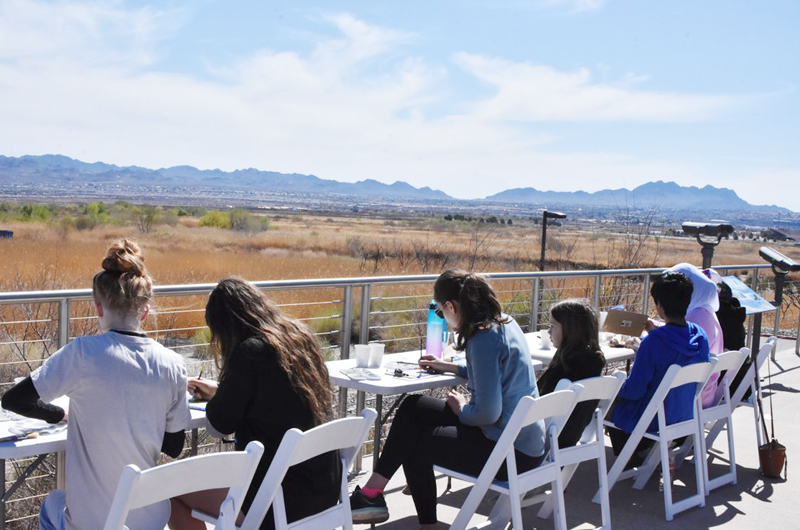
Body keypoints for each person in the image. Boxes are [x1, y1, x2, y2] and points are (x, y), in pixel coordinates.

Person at [2, 239, 191, 530]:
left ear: (98, 308)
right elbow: (175, 446)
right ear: (144, 311)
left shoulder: (83, 353)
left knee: (53, 502)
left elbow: (14, 400)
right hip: (150, 520)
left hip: (95, 522)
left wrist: (56, 414)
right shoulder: (173, 364)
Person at [349, 270, 543, 528]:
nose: (443, 316)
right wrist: (449, 367)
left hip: (509, 452)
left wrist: (462, 409)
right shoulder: (504, 322)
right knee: (412, 407)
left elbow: (487, 414)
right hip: (522, 440)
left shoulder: (482, 339)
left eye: (440, 311)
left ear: (450, 306)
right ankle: (372, 494)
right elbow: (491, 372)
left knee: (415, 441)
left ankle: (423, 523)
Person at [169, 278, 340, 530]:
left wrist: (223, 392)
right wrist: (221, 390)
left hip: (278, 500)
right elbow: (277, 397)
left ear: (225, 327)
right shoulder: (299, 338)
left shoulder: (250, 352)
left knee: (171, 490)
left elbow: (218, 425)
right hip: (324, 491)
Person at [608, 271, 710, 463]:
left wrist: (616, 381)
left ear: (660, 306)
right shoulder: (700, 336)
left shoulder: (653, 343)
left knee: (607, 401)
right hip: (683, 413)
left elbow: (634, 391)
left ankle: (633, 456)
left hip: (652, 419)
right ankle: (644, 453)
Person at [536, 299, 606, 448]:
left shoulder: (566, 368)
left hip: (544, 445)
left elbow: (539, 407)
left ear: (570, 329)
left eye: (552, 326)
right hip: (570, 438)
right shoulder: (593, 363)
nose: (549, 331)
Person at [666, 263, 723, 407]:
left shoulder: (697, 316)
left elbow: (677, 350)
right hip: (704, 392)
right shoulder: (706, 312)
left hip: (689, 399)